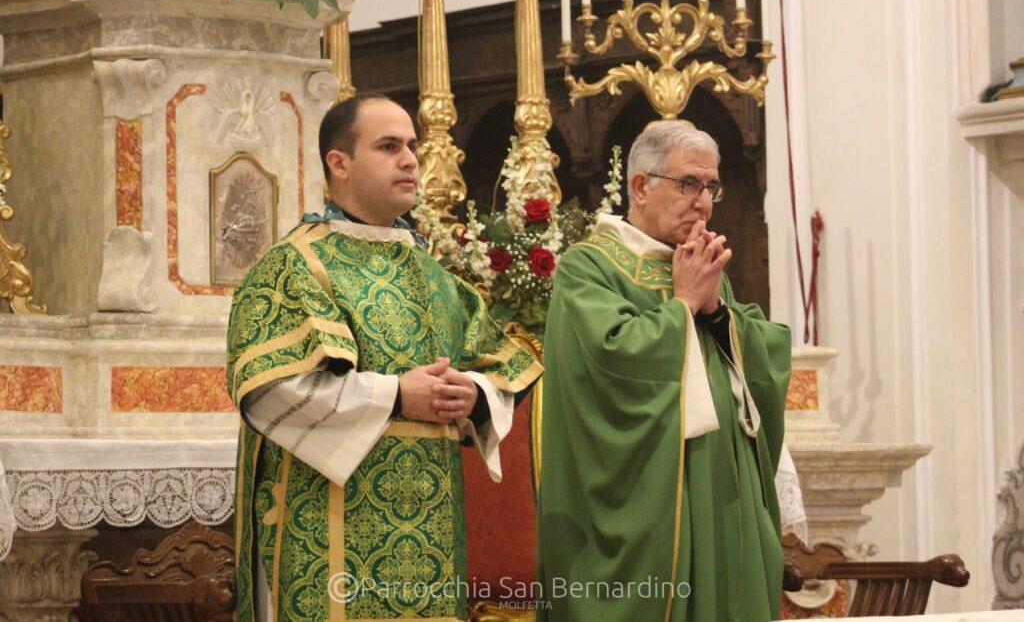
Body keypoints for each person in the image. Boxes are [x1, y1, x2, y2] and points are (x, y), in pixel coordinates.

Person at [228, 93, 542, 622]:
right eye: (389, 146)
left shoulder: (435, 278)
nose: (411, 159)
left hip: (432, 542)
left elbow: (505, 367)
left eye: (412, 146)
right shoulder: (294, 267)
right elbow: (269, 389)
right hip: (324, 539)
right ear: (339, 163)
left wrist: (475, 393)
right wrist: (398, 394)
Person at [536, 121, 791, 621]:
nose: (704, 201)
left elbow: (761, 354)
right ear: (640, 186)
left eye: (711, 186)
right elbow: (611, 362)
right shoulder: (589, 268)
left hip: (721, 487)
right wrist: (684, 305)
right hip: (648, 501)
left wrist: (717, 311)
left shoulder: (697, 264)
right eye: (689, 184)